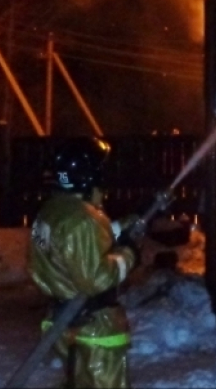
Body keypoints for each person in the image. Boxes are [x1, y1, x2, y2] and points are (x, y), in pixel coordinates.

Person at [27, 137, 141, 389]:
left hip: (62, 319)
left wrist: (121, 227)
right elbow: (97, 279)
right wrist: (128, 254)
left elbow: (73, 246)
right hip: (94, 327)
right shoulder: (83, 220)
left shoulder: (53, 210)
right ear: (90, 176)